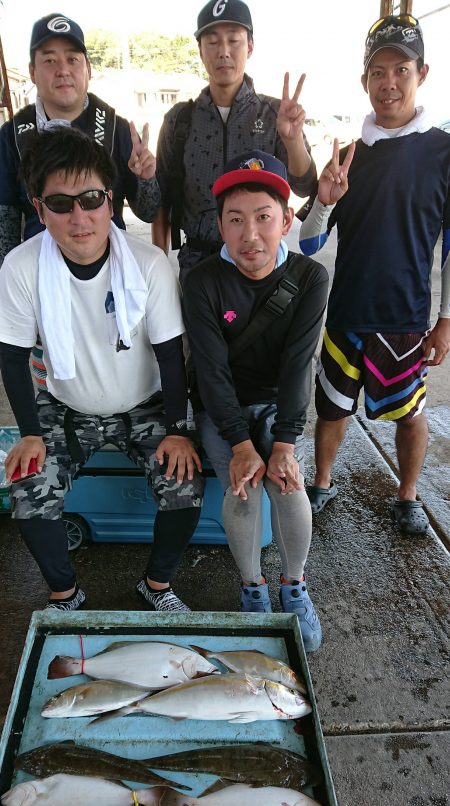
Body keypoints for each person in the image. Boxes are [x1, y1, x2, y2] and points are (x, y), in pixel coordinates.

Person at [0, 126, 203, 612]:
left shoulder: (150, 264)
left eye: (91, 198)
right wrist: (29, 432)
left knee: (185, 483)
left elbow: (171, 354)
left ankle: (156, 587)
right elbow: (11, 355)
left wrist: (177, 428)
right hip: (66, 403)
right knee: (27, 486)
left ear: (110, 201)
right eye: (60, 203)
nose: (80, 217)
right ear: (38, 207)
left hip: (144, 401)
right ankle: (65, 594)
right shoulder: (21, 266)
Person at [299, 14, 450, 535]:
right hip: (345, 314)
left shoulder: (443, 152)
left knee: (410, 414)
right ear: (364, 81)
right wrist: (323, 199)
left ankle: (408, 496)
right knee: (332, 409)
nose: (389, 83)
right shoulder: (349, 154)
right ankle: (322, 483)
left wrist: (446, 319)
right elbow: (310, 241)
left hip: (408, 316)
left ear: (422, 73)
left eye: (401, 70)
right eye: (378, 72)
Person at [182, 149, 329, 652]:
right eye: (236, 220)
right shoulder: (201, 281)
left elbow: (298, 365)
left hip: (275, 401)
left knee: (288, 484)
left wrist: (284, 442)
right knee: (241, 484)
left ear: (286, 220)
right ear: (220, 226)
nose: (251, 235)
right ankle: (252, 589)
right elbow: (210, 369)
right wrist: (241, 444)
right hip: (221, 407)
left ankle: (295, 586)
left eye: (264, 218)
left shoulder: (310, 278)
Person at [152, 0, 317, 283]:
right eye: (213, 41)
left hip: (263, 268)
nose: (224, 52)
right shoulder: (179, 120)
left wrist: (292, 141)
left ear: (250, 46)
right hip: (198, 268)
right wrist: (159, 271)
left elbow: (304, 187)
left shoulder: (277, 114)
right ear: (200, 50)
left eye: (234, 40)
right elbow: (162, 200)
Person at [0, 12, 160, 266]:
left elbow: (149, 212)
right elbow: (4, 227)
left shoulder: (117, 129)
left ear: (88, 68)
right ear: (32, 71)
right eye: (50, 60)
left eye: (73, 59)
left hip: (110, 270)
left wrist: (146, 179)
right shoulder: (11, 137)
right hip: (39, 271)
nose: (63, 70)